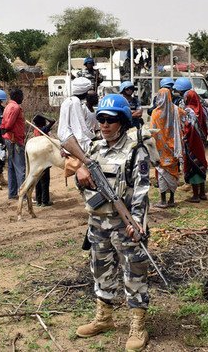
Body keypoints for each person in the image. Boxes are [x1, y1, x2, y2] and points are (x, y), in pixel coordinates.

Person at [73, 94, 152, 352]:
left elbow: (141, 191)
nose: (104, 125)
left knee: (134, 272)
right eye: (101, 119)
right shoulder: (94, 149)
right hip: (97, 223)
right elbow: (81, 181)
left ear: (123, 121)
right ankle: (104, 318)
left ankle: (138, 325)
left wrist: (136, 223)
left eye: (111, 120)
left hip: (124, 225)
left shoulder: (135, 150)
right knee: (100, 270)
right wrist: (79, 172)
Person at [150, 87, 184, 208]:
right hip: (174, 147)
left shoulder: (155, 113)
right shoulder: (176, 110)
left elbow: (152, 131)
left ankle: (163, 200)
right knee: (173, 173)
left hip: (160, 149)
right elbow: (185, 118)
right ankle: (172, 199)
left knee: (162, 173)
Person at [58, 77, 96, 176]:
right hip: (70, 139)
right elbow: (80, 127)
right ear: (86, 92)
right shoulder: (75, 102)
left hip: (64, 137)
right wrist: (94, 137)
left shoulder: (68, 100)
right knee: (93, 161)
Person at [183, 89, 208, 202]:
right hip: (201, 142)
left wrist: (184, 137)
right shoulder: (202, 110)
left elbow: (188, 128)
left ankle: (195, 195)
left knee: (192, 165)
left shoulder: (188, 110)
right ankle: (203, 193)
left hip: (192, 142)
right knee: (201, 163)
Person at [1, 88, 26, 200]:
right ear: (17, 96)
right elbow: (9, 124)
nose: (23, 98)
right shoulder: (15, 107)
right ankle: (23, 195)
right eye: (21, 96)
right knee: (21, 168)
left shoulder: (8, 106)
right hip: (14, 140)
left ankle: (12, 193)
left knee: (11, 167)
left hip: (9, 139)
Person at [32, 114, 56, 206]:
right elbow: (53, 120)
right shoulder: (42, 130)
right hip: (44, 157)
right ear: (43, 122)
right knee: (45, 180)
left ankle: (39, 201)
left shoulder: (35, 130)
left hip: (37, 158)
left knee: (38, 180)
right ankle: (45, 201)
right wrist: (43, 115)